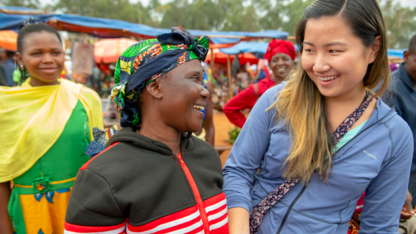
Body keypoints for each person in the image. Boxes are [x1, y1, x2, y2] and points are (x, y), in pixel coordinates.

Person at [223, 0, 414, 233]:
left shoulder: (395, 135)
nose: (319, 65)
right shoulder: (277, 101)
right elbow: (238, 171)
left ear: (373, 48)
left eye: (334, 50)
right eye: (310, 50)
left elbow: (379, 227)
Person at [64, 28, 228, 234]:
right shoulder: (102, 177)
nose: (205, 91)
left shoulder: (207, 155)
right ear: (155, 87)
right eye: (194, 79)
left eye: (202, 81)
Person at [0, 23, 103, 234]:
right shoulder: (6, 106)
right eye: (37, 53)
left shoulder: (86, 98)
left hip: (81, 206)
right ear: (20, 59)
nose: (48, 59)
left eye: (55, 52)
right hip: (29, 212)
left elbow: (98, 154)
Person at [223, 39, 295, 128]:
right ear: (269, 64)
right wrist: (252, 129)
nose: (280, 63)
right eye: (275, 60)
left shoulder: (300, 88)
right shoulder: (258, 89)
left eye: (285, 59)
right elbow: (229, 109)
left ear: (292, 63)